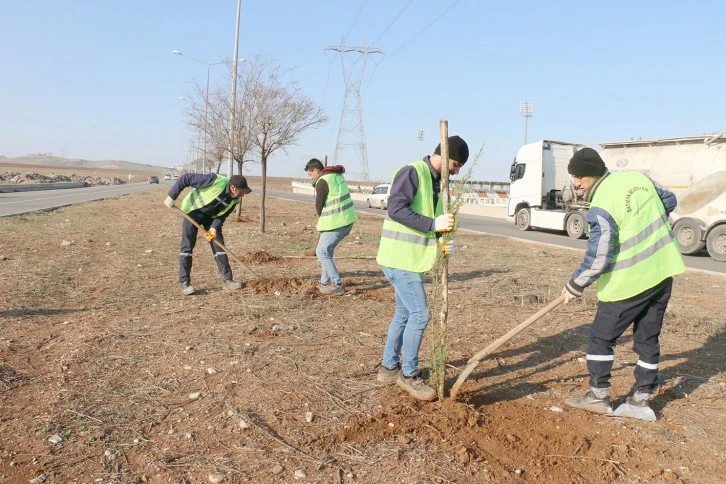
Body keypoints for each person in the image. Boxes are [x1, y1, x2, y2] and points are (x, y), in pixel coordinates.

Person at [562, 147, 686, 421]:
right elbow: (669, 200)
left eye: (579, 178)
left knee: (601, 338)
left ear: (592, 175)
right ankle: (641, 401)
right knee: (647, 339)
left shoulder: (602, 204)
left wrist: (575, 284)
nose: (576, 184)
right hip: (662, 272)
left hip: (629, 282)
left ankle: (598, 396)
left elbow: (600, 255)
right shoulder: (636, 178)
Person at [375, 135, 468, 401]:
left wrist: (441, 241)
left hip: (409, 259)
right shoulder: (413, 172)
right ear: (442, 154)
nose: (457, 170)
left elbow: (434, 222)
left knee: (403, 314)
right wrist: (433, 225)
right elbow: (395, 209)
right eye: (456, 163)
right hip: (400, 260)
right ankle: (409, 375)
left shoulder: (436, 182)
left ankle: (388, 368)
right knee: (420, 315)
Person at [163, 173, 252, 296]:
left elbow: (223, 214)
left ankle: (228, 280)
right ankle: (185, 283)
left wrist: (214, 228)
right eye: (241, 192)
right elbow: (185, 178)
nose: (243, 195)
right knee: (187, 247)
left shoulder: (235, 199)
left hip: (211, 218)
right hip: (192, 212)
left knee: (219, 246)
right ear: (233, 188)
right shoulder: (215, 180)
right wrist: (172, 196)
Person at [304, 158, 358, 295]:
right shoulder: (336, 176)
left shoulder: (323, 181)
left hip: (336, 223)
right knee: (326, 252)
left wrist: (322, 217)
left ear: (316, 170)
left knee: (321, 252)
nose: (311, 178)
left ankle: (337, 284)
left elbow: (319, 205)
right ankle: (324, 283)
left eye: (310, 174)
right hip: (346, 220)